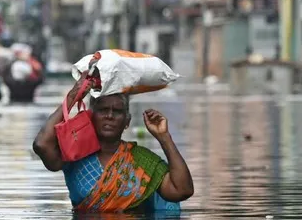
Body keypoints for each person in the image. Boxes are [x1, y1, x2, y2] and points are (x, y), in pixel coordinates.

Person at [32, 74, 194, 212]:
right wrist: (74, 96)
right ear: (90, 116)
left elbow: (182, 190)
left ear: (127, 121)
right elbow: (42, 144)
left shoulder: (142, 161)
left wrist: (164, 137)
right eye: (103, 110)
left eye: (117, 111)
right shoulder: (75, 156)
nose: (109, 116)